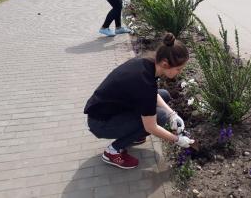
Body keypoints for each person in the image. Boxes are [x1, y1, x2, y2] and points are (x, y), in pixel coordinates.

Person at [84, 33, 195, 169]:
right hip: (100, 123)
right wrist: (177, 140)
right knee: (159, 117)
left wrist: (172, 114)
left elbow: (152, 94)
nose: (180, 72)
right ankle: (112, 152)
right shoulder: (144, 84)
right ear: (165, 64)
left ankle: (132, 133)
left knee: (164, 95)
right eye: (179, 69)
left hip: (109, 111)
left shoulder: (147, 64)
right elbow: (151, 127)